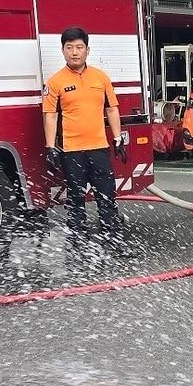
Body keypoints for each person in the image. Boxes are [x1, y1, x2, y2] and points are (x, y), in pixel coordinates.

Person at [42, 26, 128, 241]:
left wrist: (118, 138)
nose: (74, 52)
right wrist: (50, 147)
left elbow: (111, 109)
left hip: (99, 148)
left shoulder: (101, 78)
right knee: (75, 199)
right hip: (72, 151)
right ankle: (78, 243)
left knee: (106, 196)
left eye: (79, 47)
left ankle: (113, 238)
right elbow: (50, 115)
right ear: (63, 51)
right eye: (69, 47)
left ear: (87, 50)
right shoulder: (55, 81)